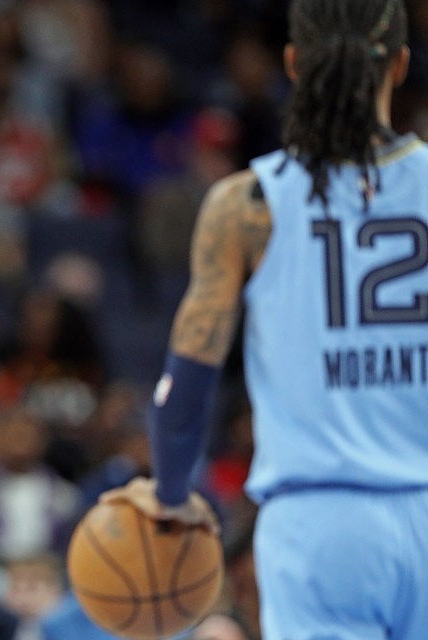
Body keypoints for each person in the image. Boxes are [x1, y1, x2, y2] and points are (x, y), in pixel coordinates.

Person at [102, 1, 428, 639]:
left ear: (292, 65)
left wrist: (170, 492)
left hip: (320, 524)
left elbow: (187, 379)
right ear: (401, 67)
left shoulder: (246, 205)